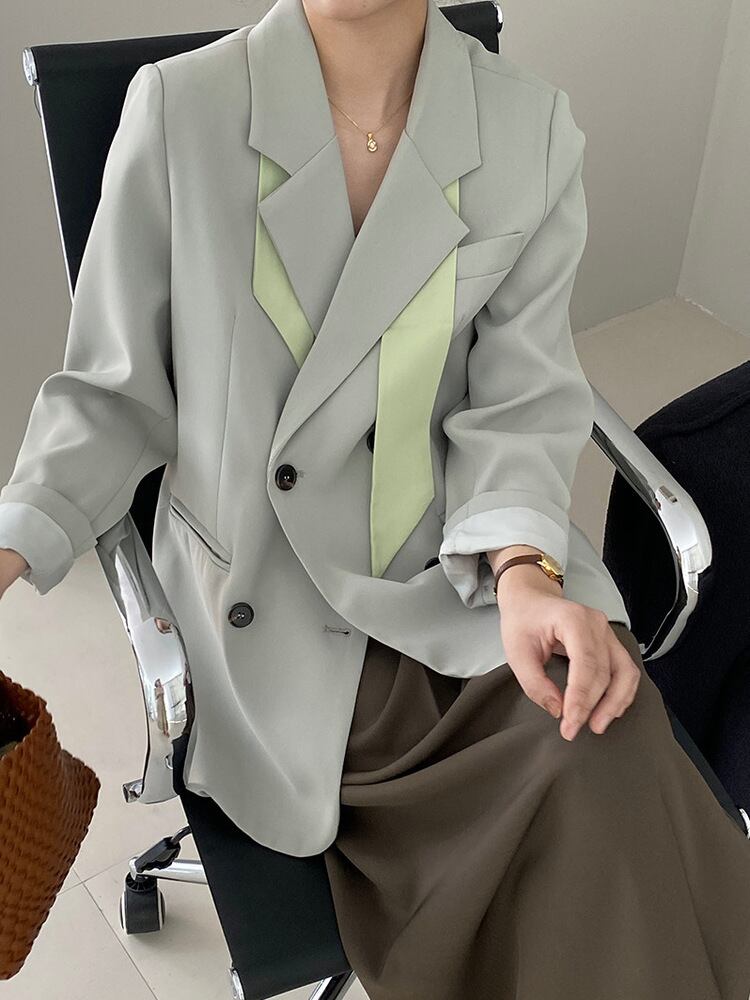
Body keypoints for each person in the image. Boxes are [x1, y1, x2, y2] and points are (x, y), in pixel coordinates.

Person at [2, 0, 750, 997]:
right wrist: (12, 542)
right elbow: (111, 396)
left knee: (608, 748)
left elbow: (518, 401)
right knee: (585, 827)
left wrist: (525, 572)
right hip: (266, 609)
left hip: (463, 582)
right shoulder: (182, 109)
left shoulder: (527, 129)